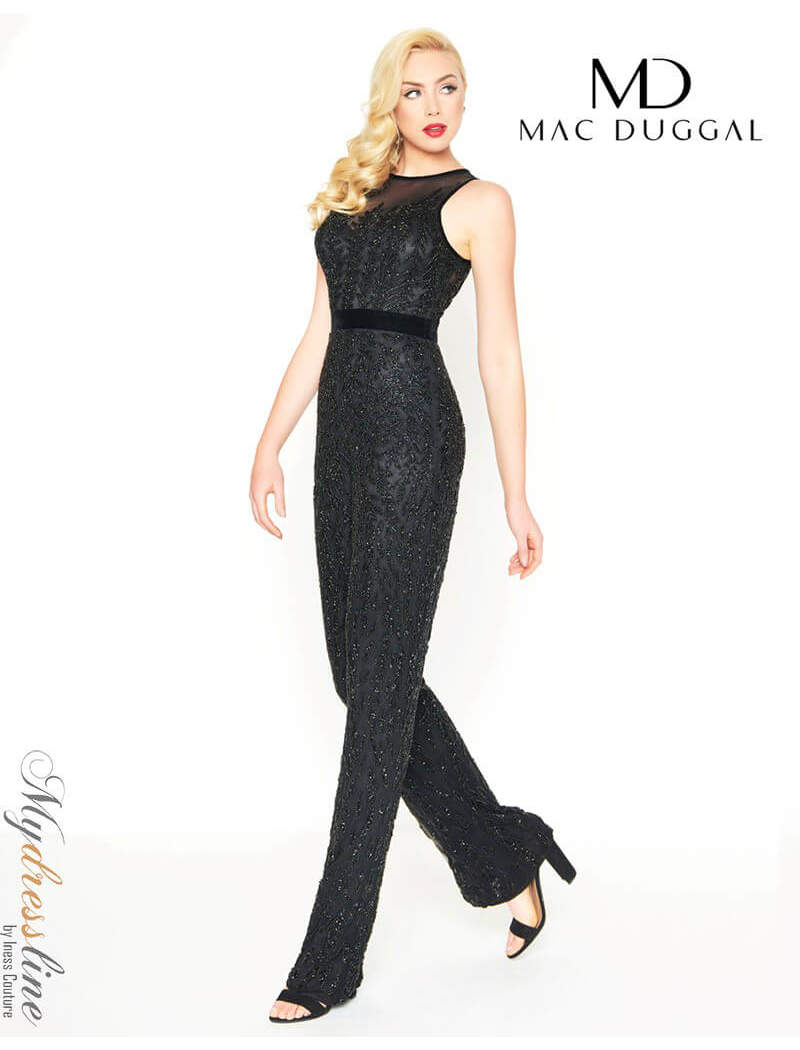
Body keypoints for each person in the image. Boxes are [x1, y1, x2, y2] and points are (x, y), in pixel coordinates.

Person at [250, 27, 577, 1025]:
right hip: (340, 446)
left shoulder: (481, 202)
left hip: (413, 444)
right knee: (365, 679)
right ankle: (505, 855)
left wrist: (517, 493)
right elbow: (318, 332)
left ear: (464, 99)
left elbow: (501, 356)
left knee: (377, 700)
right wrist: (267, 445)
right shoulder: (349, 197)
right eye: (415, 90)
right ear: (387, 101)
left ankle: (329, 960)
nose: (434, 107)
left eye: (449, 88)